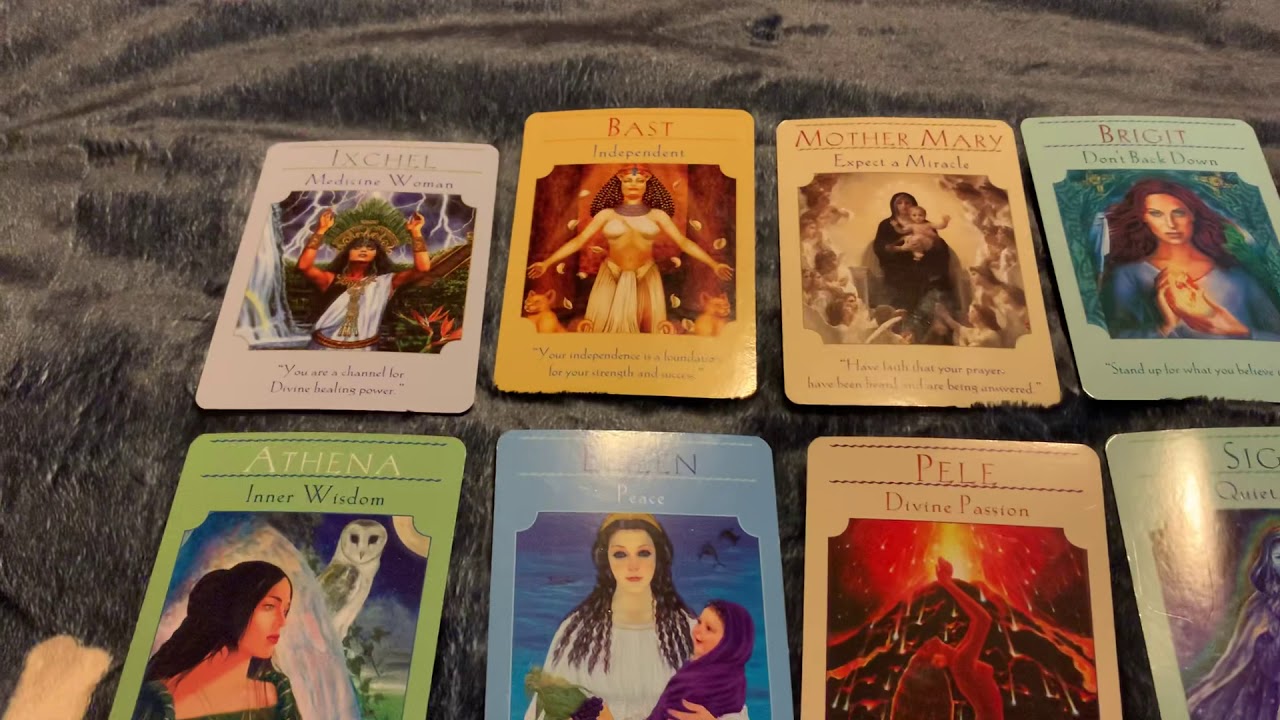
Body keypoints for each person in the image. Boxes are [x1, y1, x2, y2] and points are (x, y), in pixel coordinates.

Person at [526, 514, 747, 720]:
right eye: (620, 554)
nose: (633, 566)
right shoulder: (575, 633)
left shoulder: (691, 632)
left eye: (643, 553)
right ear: (606, 560)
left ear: (659, 557)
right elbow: (545, 708)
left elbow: (731, 701)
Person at [526, 165, 733, 334]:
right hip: (611, 277)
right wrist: (546, 263)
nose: (633, 184)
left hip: (646, 277)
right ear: (621, 184)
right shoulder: (606, 215)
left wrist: (714, 264)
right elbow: (579, 241)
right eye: (628, 180)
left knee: (649, 333)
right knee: (600, 332)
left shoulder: (657, 215)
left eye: (639, 180)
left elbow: (683, 242)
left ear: (646, 185)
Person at [1099, 178, 1280, 340]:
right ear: (1143, 218)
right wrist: (1167, 327)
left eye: (1178, 213)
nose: (1171, 224)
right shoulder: (1129, 274)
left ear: (1192, 214)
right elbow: (1113, 339)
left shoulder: (1233, 270)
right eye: (1156, 214)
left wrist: (1241, 332)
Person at [132, 561, 300, 720]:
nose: (282, 622)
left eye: (285, 610)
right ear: (237, 608)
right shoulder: (158, 703)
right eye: (269, 606)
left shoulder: (278, 692)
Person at [297, 204, 432, 350]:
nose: (363, 250)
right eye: (357, 247)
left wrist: (415, 232)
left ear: (376, 255)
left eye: (370, 248)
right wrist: (321, 230)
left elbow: (422, 268)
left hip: (365, 350)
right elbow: (304, 266)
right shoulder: (329, 279)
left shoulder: (385, 283)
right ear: (347, 253)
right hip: (323, 348)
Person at [891, 558, 1003, 720]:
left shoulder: (960, 658)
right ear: (938, 660)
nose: (930, 641)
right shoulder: (962, 664)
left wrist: (948, 582)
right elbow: (983, 620)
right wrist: (947, 583)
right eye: (926, 650)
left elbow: (975, 622)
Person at [1186, 528, 1280, 719]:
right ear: (1269, 561)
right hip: (1265, 690)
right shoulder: (1259, 605)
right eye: (1279, 557)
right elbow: (1254, 655)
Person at [643, 601, 754, 720]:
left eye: (709, 629)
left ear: (729, 643)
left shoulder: (726, 688)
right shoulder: (688, 672)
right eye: (699, 622)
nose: (697, 631)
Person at [871, 192, 959, 338]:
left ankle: (923, 331)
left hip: (924, 266)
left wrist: (931, 245)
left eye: (908, 203)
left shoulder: (924, 223)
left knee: (932, 284)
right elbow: (880, 247)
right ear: (894, 206)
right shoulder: (887, 225)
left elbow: (940, 248)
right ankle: (902, 331)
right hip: (897, 268)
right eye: (900, 203)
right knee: (905, 283)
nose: (904, 206)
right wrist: (901, 249)